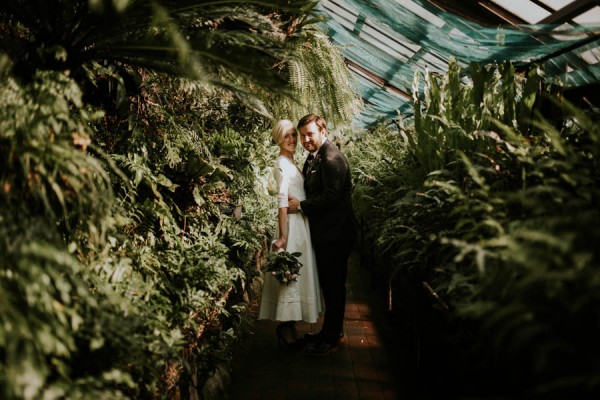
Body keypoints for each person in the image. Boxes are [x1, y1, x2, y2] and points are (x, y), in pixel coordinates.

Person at [288, 114, 356, 356]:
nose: (306, 139)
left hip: (336, 234)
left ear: (323, 131)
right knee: (329, 284)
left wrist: (302, 206)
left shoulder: (331, 158)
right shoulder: (314, 156)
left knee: (335, 285)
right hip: (326, 232)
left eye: (310, 134)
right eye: (303, 135)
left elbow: (332, 196)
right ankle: (329, 332)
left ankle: (332, 337)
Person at [258, 119, 323, 349]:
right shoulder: (281, 164)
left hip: (301, 224)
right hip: (292, 227)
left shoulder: (292, 162)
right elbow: (282, 201)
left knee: (298, 275)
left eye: (293, 135)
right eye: (287, 136)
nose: (293, 140)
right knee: (290, 276)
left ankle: (290, 328)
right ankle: (285, 329)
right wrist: (284, 237)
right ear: (278, 139)